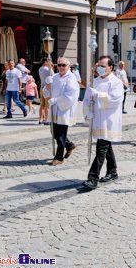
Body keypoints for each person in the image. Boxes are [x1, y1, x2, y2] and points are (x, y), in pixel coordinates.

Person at [82, 55, 124, 190]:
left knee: (101, 148)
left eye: (103, 66)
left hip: (108, 120)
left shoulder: (116, 82)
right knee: (106, 146)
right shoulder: (94, 82)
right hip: (97, 119)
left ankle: (92, 178)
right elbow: (87, 100)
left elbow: (115, 100)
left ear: (110, 67)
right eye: (98, 65)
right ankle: (112, 171)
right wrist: (87, 111)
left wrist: (98, 95)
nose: (100, 68)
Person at [44, 57, 79, 166]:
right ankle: (69, 145)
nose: (61, 67)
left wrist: (55, 100)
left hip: (64, 109)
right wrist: (48, 86)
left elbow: (71, 95)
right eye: (59, 65)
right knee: (54, 133)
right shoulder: (54, 77)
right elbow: (46, 91)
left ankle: (59, 157)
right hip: (54, 108)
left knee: (61, 135)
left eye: (64, 65)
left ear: (68, 66)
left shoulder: (71, 78)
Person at [39, 59, 54, 125]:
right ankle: (46, 120)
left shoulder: (40, 69)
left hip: (42, 87)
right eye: (49, 62)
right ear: (45, 62)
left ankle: (40, 119)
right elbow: (53, 76)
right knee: (47, 106)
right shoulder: (48, 69)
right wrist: (51, 67)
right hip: (47, 89)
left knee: (42, 105)